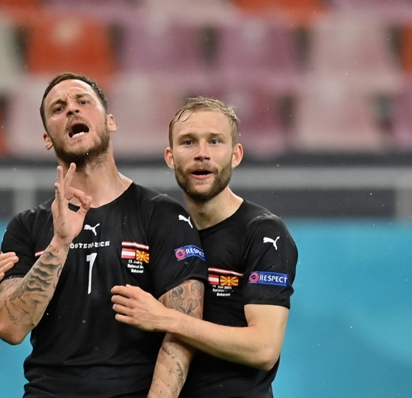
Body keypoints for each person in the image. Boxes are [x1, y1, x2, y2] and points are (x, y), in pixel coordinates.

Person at [0, 72, 207, 397]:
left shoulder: (162, 215)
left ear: (110, 121)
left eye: (83, 101)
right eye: (58, 108)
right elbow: (10, 328)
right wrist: (59, 244)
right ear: (47, 138)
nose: (72, 110)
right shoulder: (27, 226)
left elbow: (182, 333)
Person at [111, 96, 298, 398]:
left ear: (235, 154)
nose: (202, 154)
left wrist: (167, 319)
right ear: (170, 157)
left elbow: (264, 348)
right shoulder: (156, 230)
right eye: (188, 142)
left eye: (215, 141)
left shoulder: (264, 233)